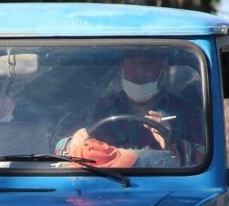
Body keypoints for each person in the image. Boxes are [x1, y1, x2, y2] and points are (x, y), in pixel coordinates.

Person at [57, 50, 205, 168]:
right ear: (122, 67)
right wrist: (72, 143)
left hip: (165, 187)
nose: (139, 71)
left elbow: (206, 161)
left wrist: (172, 143)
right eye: (133, 63)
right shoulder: (100, 108)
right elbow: (58, 148)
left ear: (162, 68)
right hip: (107, 185)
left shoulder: (186, 111)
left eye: (147, 63)